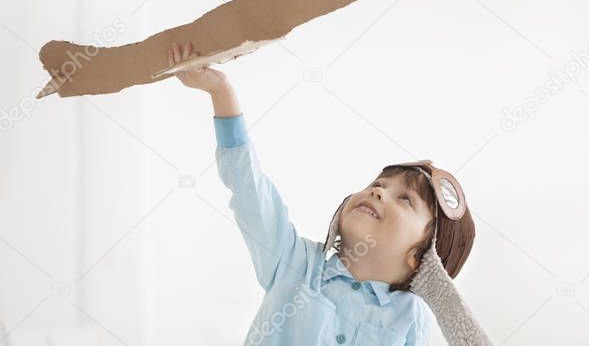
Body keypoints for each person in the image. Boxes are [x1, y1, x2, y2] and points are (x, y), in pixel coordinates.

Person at [168, 41, 492, 345]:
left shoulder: (412, 318)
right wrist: (220, 91)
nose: (379, 192)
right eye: (377, 185)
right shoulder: (296, 265)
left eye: (404, 198)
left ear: (420, 258)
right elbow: (250, 192)